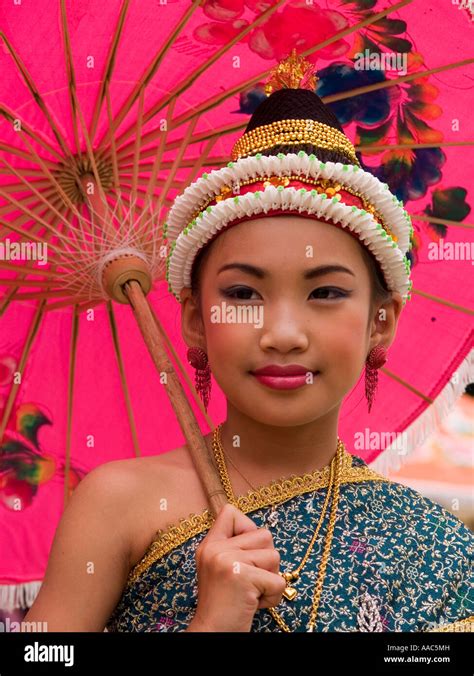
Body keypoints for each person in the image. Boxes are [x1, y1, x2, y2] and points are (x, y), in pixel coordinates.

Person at [23, 51, 473, 634]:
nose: (282, 334)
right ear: (193, 319)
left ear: (380, 321)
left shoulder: (435, 551)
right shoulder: (117, 504)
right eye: (243, 293)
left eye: (326, 293)